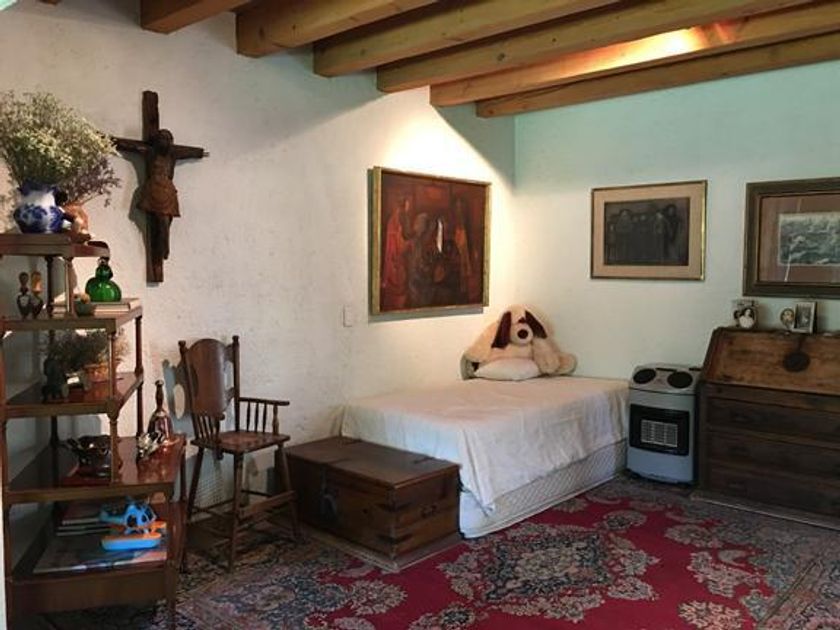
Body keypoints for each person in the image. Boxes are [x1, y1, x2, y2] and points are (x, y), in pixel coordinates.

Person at [381, 196, 413, 310]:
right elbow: (399, 246)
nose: (409, 208)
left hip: (397, 262)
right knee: (396, 294)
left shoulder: (397, 219)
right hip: (395, 263)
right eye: (408, 205)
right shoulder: (396, 221)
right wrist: (410, 243)